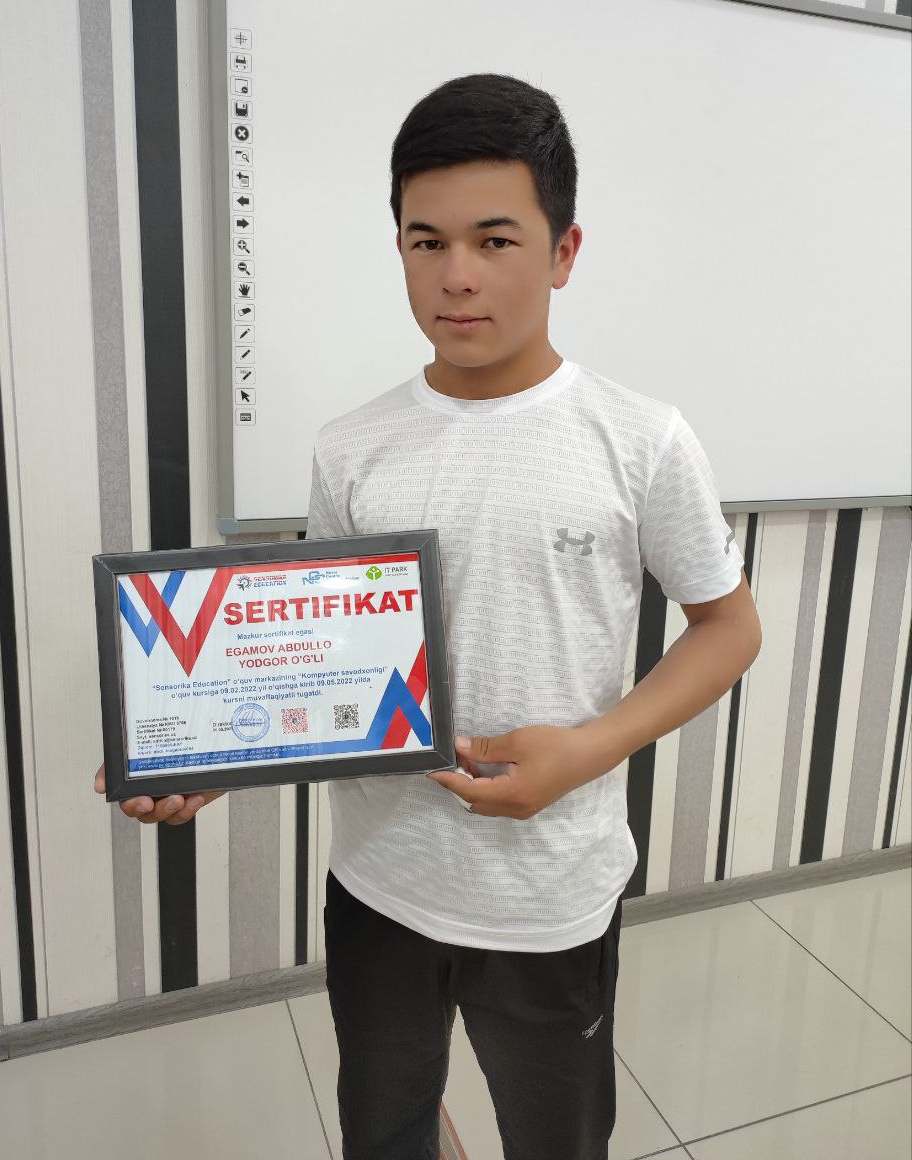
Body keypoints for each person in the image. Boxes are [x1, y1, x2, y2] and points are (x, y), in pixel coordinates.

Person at [96, 73, 762, 1160]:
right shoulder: (351, 448)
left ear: (563, 251)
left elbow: (730, 627)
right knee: (386, 1126)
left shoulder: (641, 439)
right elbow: (319, 655)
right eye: (426, 241)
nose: (457, 275)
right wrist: (216, 747)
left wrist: (587, 750)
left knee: (557, 1137)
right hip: (381, 883)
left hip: (550, 889)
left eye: (495, 240)